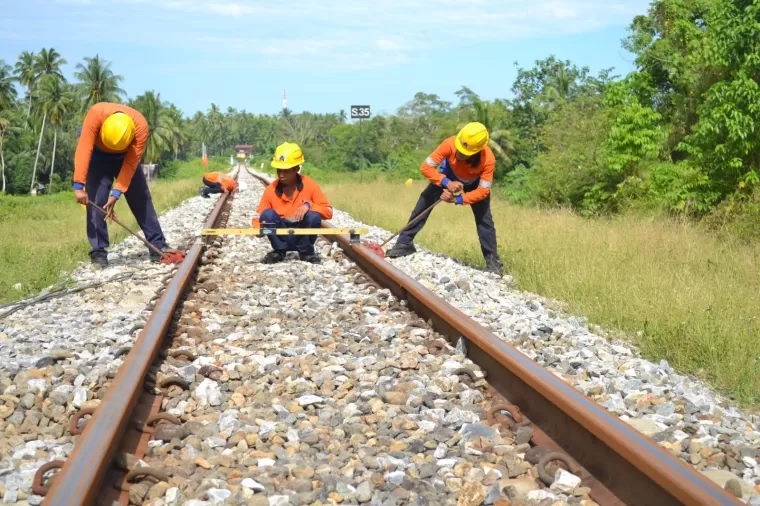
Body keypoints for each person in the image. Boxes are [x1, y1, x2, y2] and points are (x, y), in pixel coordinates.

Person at [385, 122, 504, 275]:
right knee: (424, 200)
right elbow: (426, 168)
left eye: (465, 152)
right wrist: (446, 183)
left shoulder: (488, 159)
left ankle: (493, 262)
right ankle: (404, 243)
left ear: (477, 151)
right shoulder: (449, 143)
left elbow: (483, 191)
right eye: (460, 148)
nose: (459, 153)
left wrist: (458, 199)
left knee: (485, 220)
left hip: (474, 184)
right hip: (448, 177)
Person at [72, 102, 172, 267]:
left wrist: (116, 193)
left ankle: (157, 245)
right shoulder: (96, 114)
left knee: (141, 198)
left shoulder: (140, 126)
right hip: (97, 156)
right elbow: (84, 149)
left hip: (126, 157)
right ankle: (98, 252)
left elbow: (131, 164)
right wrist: (78, 186)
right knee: (96, 202)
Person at [252, 142, 333, 264]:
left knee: (313, 216)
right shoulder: (271, 190)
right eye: (279, 171)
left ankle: (306, 253)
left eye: (286, 171)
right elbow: (259, 218)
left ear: (296, 169)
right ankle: (279, 251)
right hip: (281, 235)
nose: (281, 175)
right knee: (267, 214)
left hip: (302, 233)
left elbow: (328, 212)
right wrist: (259, 230)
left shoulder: (310, 185)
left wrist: (309, 205)